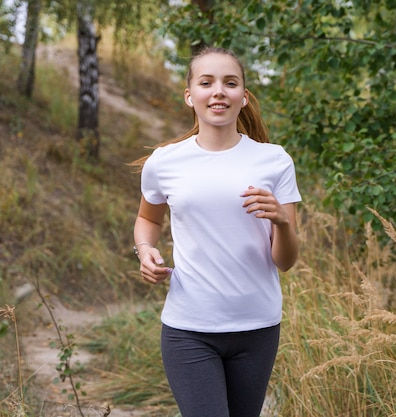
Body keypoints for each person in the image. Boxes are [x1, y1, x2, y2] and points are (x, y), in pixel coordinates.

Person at [130, 46, 301, 417]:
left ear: (243, 96)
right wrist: (144, 250)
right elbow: (149, 220)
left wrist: (282, 223)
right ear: (190, 96)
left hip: (257, 327)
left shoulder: (274, 160)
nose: (218, 91)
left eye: (230, 83)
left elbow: (285, 261)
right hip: (189, 328)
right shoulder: (165, 161)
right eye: (206, 82)